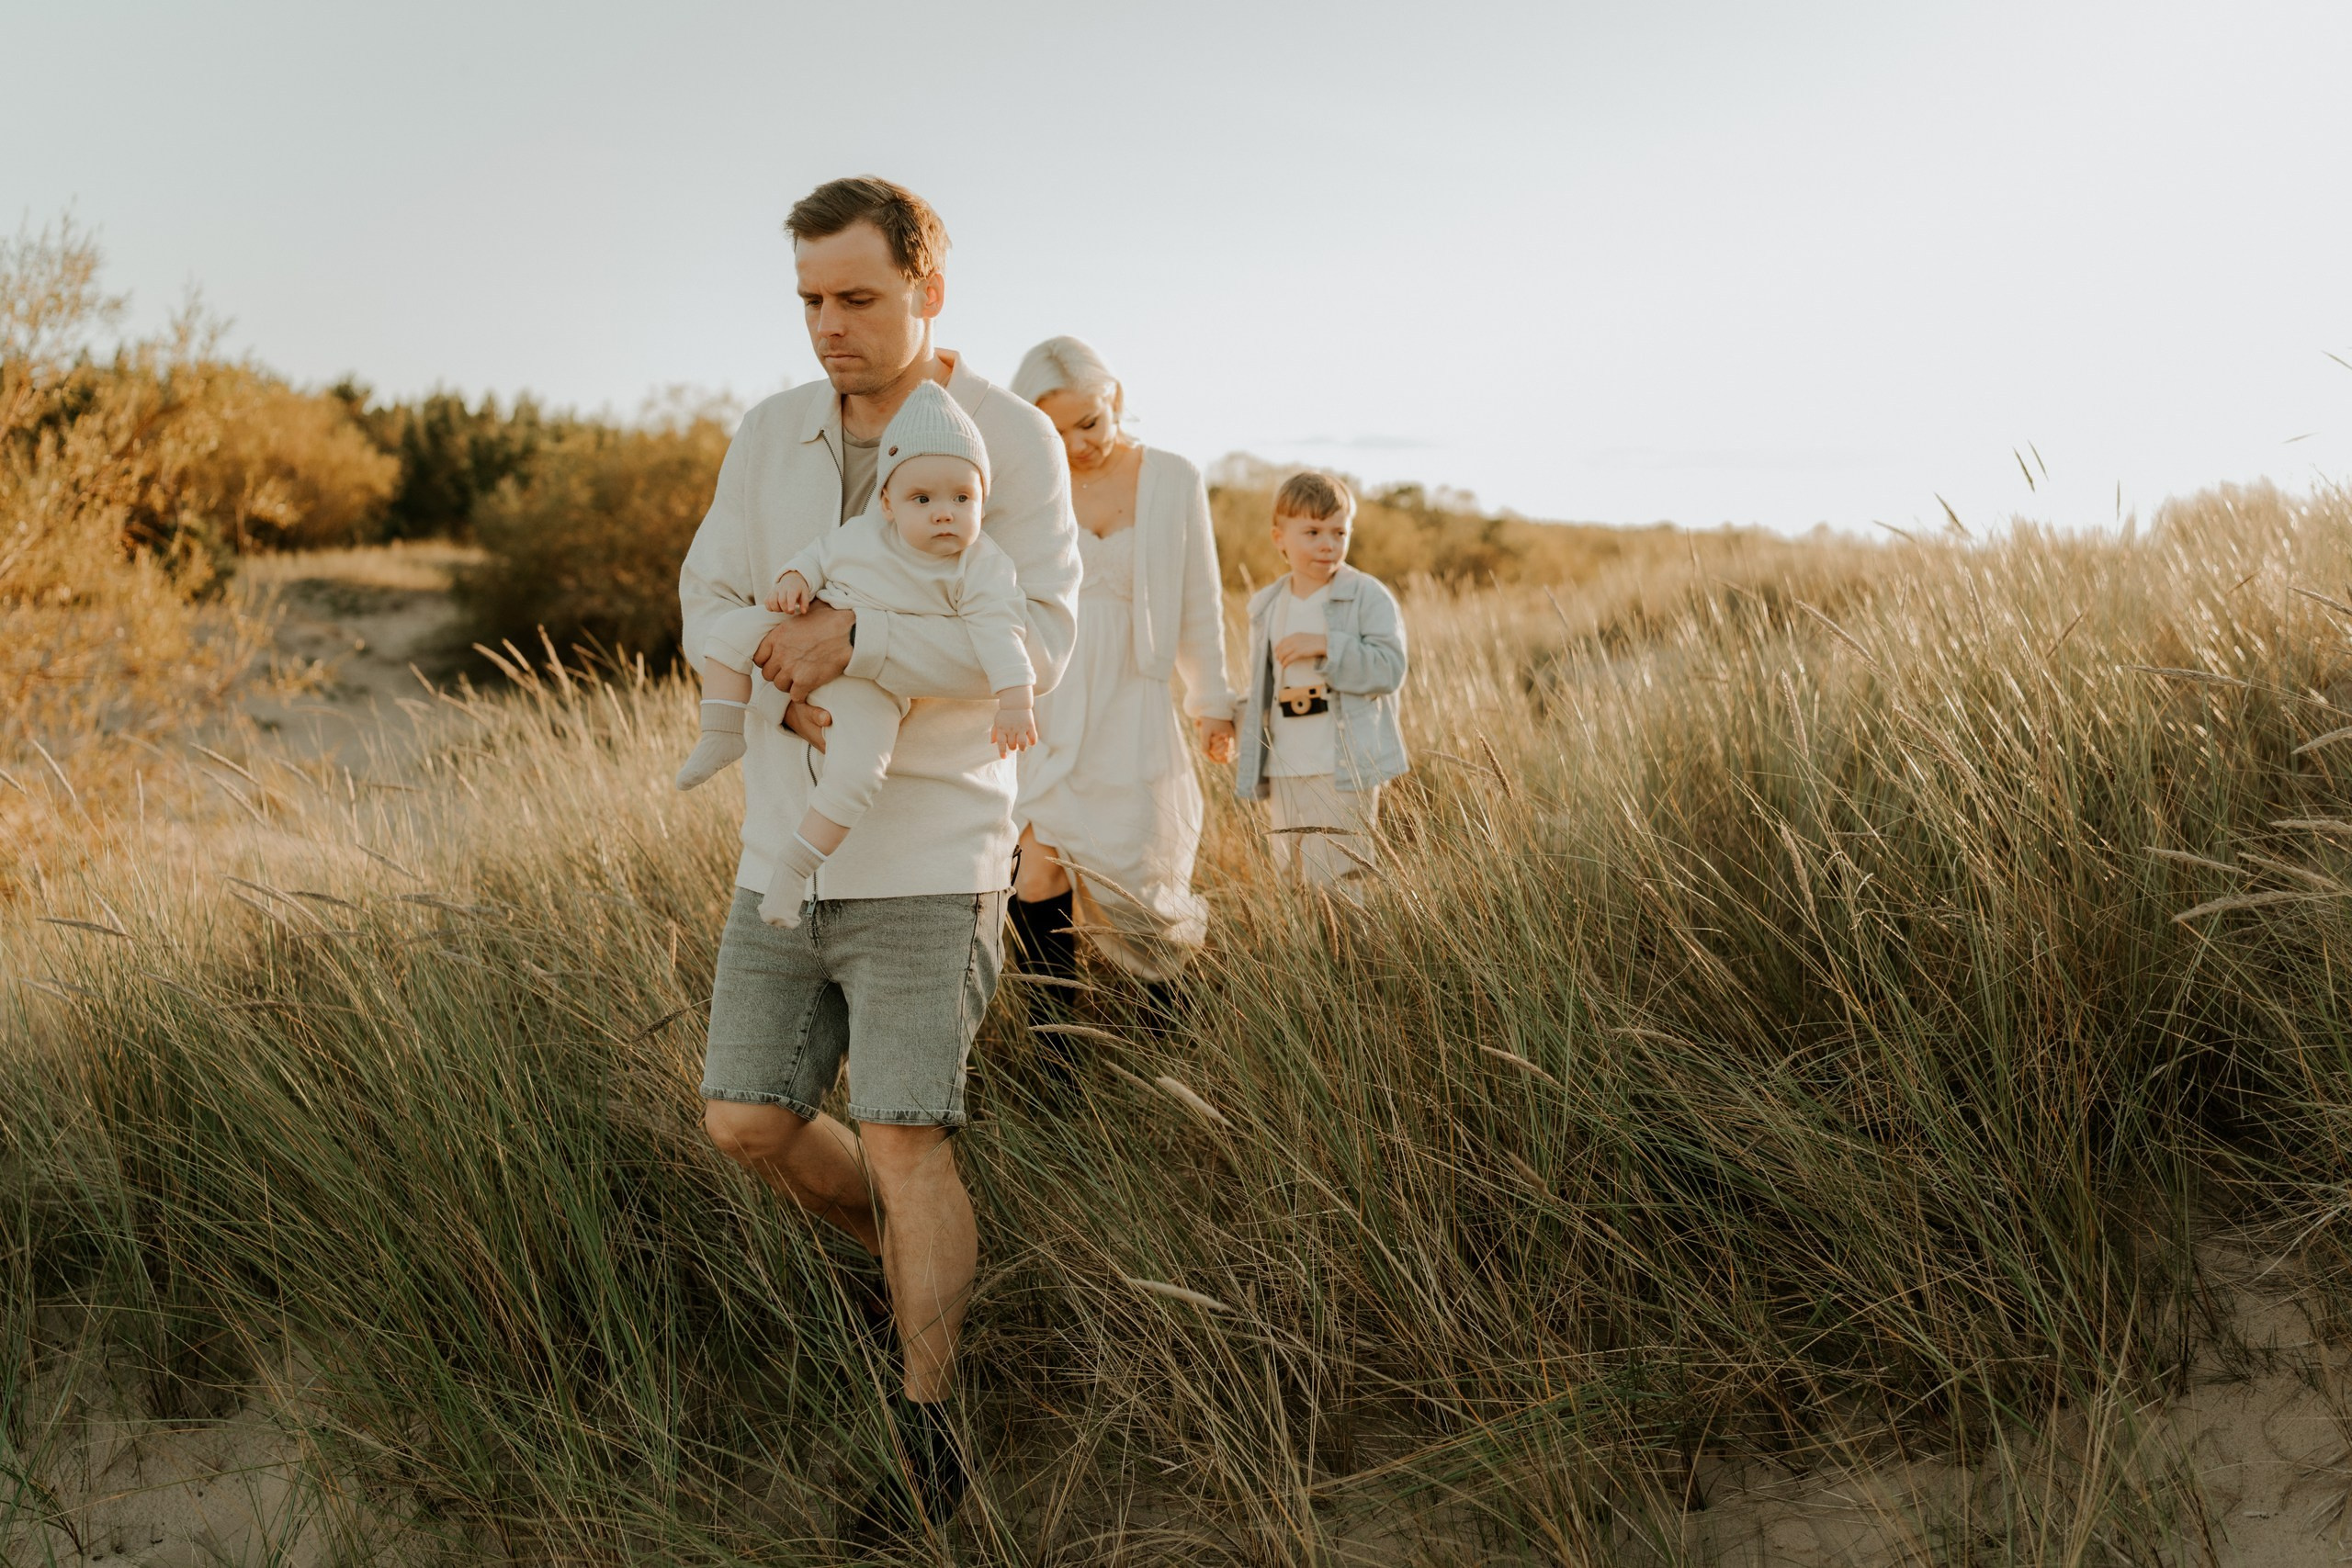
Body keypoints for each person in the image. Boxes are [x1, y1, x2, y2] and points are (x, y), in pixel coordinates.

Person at [675, 175, 1081, 1539]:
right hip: (784, 847)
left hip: (934, 849)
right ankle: (917, 1274)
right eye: (809, 300)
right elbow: (707, 593)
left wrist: (860, 646)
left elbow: (1041, 642)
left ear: (929, 291)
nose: (828, 326)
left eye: (858, 297)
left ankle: (929, 1429)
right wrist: (770, 658)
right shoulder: (769, 432)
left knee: (907, 1137)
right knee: (745, 1118)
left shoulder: (1012, 440)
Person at [676, 382, 1039, 928]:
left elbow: (1000, 635)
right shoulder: (864, 534)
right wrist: (795, 580)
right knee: (731, 630)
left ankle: (793, 871)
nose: (944, 514)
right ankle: (722, 731)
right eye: (923, 499)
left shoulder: (980, 567)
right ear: (888, 503)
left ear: (982, 500)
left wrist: (1015, 699)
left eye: (962, 499)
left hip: (874, 686)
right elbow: (817, 556)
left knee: (858, 773)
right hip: (801, 630)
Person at [1005, 336, 1238, 988]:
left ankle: (1167, 1025)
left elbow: (1199, 600)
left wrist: (1211, 702)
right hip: (1046, 706)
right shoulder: (1025, 487)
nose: (1076, 444)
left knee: (1143, 893)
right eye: (1054, 431)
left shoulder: (1173, 478)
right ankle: (1056, 1041)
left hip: (1134, 705)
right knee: (1036, 870)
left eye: (1089, 422)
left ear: (1116, 400)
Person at [1234, 472, 1408, 889]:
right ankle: (1305, 936)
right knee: (1291, 879)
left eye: (1339, 532)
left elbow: (1389, 668)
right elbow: (1263, 688)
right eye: (1312, 532)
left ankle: (1350, 937)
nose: (1328, 544)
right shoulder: (1267, 605)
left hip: (1342, 766)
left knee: (1340, 879)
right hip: (1285, 765)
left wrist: (1328, 645)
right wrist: (1227, 717)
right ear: (1279, 538)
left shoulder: (1367, 595)